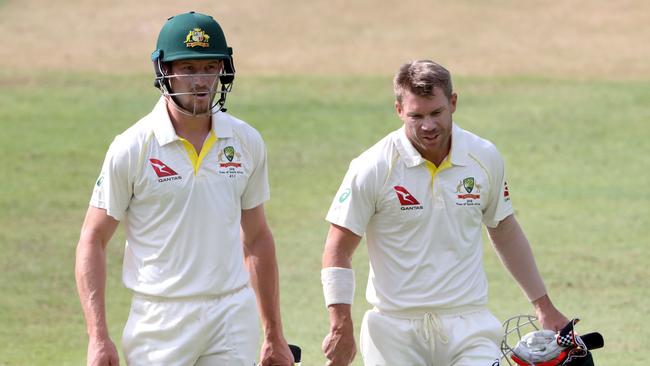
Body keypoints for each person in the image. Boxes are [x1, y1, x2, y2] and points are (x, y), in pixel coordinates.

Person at [75, 11, 293, 366]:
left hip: (231, 314)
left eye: (210, 67)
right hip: (160, 320)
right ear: (165, 72)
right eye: (188, 69)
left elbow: (257, 238)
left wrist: (274, 334)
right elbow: (92, 240)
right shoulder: (132, 147)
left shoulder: (246, 140)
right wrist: (98, 337)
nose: (201, 81)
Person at [320, 60, 568, 366]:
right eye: (416, 116)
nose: (428, 126)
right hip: (394, 332)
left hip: (470, 325)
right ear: (399, 110)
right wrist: (340, 323)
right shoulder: (373, 167)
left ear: (453, 103)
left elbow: (503, 229)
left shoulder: (483, 157)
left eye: (436, 112)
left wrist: (543, 306)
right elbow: (337, 248)